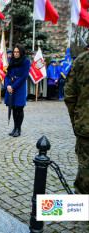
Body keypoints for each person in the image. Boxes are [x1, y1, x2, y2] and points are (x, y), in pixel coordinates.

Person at [64, 50, 89, 194]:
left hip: (85, 127)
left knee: (85, 177)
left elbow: (70, 95)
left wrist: (77, 120)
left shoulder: (81, 60)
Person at [4, 44, 31, 137]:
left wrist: (13, 86)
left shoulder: (26, 61)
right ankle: (14, 128)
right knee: (13, 108)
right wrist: (7, 85)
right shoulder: (12, 61)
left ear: (21, 52)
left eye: (17, 52)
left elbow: (24, 76)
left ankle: (18, 129)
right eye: (14, 52)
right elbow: (7, 75)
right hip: (11, 86)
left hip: (19, 87)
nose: (15, 54)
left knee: (19, 108)